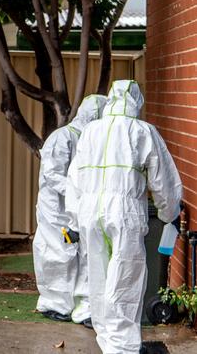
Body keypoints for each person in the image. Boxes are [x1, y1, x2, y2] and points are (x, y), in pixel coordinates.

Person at [66, 80, 183, 354]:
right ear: (136, 103)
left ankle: (109, 343)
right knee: (125, 280)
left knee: (99, 278)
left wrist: (75, 219)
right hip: (124, 212)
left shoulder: (91, 131)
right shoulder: (142, 131)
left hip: (90, 213)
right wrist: (169, 213)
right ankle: (123, 349)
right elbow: (163, 179)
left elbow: (74, 179)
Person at [33, 94, 107, 328]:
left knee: (85, 255)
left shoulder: (90, 139)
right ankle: (55, 304)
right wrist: (80, 192)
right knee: (58, 254)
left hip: (78, 209)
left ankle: (81, 306)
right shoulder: (62, 137)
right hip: (56, 212)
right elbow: (52, 174)